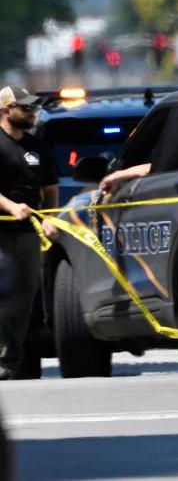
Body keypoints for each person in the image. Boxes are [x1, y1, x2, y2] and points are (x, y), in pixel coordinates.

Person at [0, 87, 60, 380]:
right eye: (25, 108)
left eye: (33, 109)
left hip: (26, 234)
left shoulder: (38, 148)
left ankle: (10, 363)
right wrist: (11, 206)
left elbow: (50, 190)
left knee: (22, 299)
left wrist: (48, 219)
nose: (31, 113)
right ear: (5, 109)